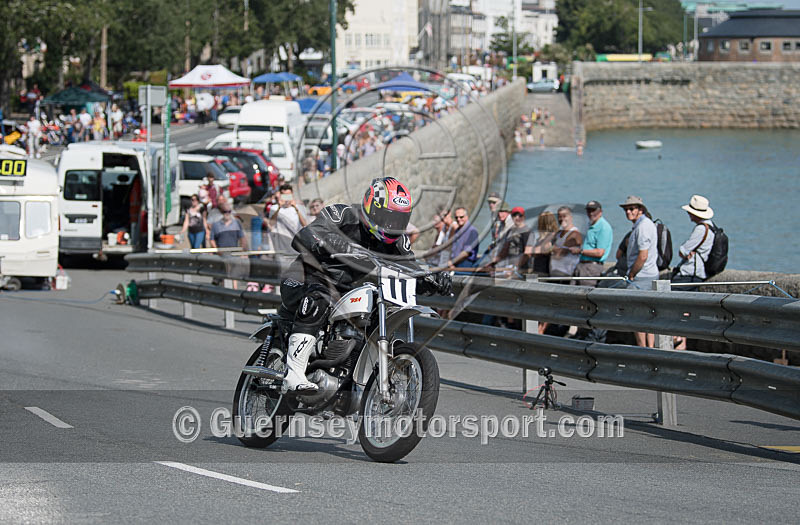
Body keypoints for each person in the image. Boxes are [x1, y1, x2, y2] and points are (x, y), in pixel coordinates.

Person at [278, 177, 452, 391]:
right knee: (318, 300)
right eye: (388, 218)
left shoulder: (397, 241)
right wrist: (334, 243)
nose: (392, 226)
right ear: (372, 208)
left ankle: (349, 378)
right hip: (304, 278)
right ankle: (294, 375)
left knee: (370, 313)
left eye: (399, 220)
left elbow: (409, 269)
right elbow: (302, 237)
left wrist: (433, 280)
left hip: (343, 290)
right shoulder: (343, 215)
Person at [618, 195, 659, 348]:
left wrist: (632, 274)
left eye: (631, 209)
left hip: (642, 277)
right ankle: (649, 349)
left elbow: (643, 256)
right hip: (648, 275)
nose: (628, 212)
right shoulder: (641, 225)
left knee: (636, 316)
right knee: (648, 315)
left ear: (640, 209)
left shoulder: (643, 227)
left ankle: (643, 349)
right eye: (626, 209)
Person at [673, 195, 716, 291]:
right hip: (698, 273)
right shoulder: (711, 227)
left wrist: (686, 253)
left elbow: (682, 251)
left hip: (690, 273)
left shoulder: (701, 229)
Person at [570, 200, 613, 287]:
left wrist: (580, 251)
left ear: (600, 212)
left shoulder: (603, 227)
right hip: (581, 265)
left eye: (593, 210)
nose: (591, 213)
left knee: (584, 293)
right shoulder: (590, 225)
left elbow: (600, 252)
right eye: (588, 210)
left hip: (592, 268)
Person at [267, 184, 308, 255]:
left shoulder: (300, 207)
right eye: (284, 195)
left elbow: (305, 225)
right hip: (282, 248)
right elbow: (271, 224)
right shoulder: (274, 208)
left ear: (292, 195)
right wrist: (279, 207)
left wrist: (296, 208)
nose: (286, 198)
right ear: (280, 195)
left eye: (288, 195)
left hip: (298, 247)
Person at [548, 206, 582, 282]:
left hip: (565, 275)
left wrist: (551, 248)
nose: (562, 219)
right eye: (560, 216)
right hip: (554, 274)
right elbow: (544, 247)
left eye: (564, 216)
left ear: (571, 217)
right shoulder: (558, 233)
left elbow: (559, 255)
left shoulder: (574, 233)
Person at [525, 211, 558, 276]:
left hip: (544, 272)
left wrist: (533, 251)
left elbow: (545, 250)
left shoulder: (553, 236)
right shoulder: (540, 237)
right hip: (537, 270)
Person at [446, 207, 479, 272]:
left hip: (466, 264)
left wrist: (451, 262)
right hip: (455, 263)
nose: (458, 219)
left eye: (461, 217)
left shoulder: (472, 231)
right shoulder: (457, 230)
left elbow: (466, 253)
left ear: (467, 217)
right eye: (456, 217)